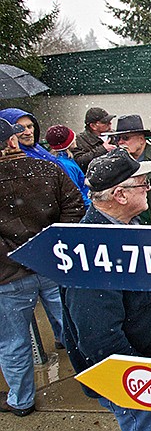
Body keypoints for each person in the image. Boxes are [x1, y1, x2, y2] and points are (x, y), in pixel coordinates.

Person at [61, 147, 151, 431]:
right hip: (138, 379)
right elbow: (99, 339)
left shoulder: (130, 228)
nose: (149, 188)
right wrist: (140, 378)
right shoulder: (92, 254)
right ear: (120, 195)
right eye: (143, 183)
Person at [0, 118, 84, 418]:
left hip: (8, 277)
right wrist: (52, 244)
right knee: (73, 327)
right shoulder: (48, 169)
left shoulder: (49, 169)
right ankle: (94, 383)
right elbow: (76, 207)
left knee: (13, 342)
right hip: (52, 264)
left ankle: (21, 400)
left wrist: (14, 253)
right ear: (13, 141)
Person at [45, 125, 92, 208]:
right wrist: (90, 206)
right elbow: (75, 191)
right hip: (84, 206)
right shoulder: (66, 165)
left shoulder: (63, 159)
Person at [73, 107, 116, 173]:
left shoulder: (116, 135)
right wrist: (102, 149)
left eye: (110, 121)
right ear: (93, 126)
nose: (110, 123)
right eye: (105, 122)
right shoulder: (79, 140)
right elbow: (79, 163)